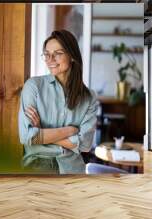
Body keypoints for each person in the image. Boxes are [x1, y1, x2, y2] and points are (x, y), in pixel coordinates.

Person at [18, 29, 99, 174]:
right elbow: (27, 136)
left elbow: (85, 145)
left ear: (72, 56)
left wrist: (42, 131)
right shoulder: (34, 87)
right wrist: (69, 131)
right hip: (38, 163)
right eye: (47, 54)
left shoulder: (89, 98)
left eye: (58, 54)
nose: (50, 60)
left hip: (73, 168)